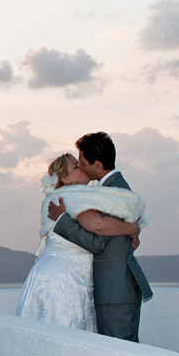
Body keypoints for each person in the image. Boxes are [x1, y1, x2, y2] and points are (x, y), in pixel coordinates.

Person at [16, 153, 145, 332]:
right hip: (64, 281)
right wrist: (132, 229)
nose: (82, 167)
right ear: (65, 179)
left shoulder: (69, 197)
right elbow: (97, 231)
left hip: (57, 275)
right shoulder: (72, 197)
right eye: (76, 166)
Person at [48, 132, 153, 342]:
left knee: (122, 352)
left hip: (116, 291)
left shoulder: (113, 190)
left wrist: (63, 221)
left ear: (96, 164)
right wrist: (133, 230)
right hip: (115, 289)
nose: (82, 166)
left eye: (83, 162)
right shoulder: (109, 188)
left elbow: (97, 237)